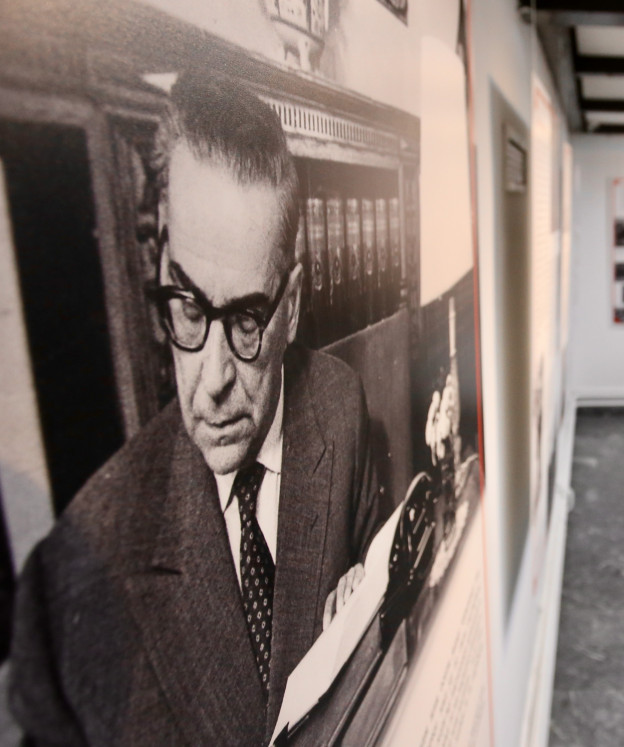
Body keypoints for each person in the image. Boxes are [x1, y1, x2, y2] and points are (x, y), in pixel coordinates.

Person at [9, 73, 385, 745]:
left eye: (246, 320)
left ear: (292, 305)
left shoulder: (340, 409)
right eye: (187, 306)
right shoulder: (72, 576)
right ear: (160, 271)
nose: (212, 380)